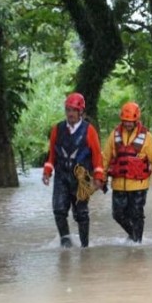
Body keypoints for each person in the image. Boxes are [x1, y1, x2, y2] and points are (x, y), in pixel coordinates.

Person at [42, 92, 105, 248]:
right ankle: (66, 243)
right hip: (61, 176)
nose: (70, 114)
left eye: (73, 110)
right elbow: (52, 154)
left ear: (80, 112)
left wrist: (98, 178)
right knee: (58, 210)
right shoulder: (57, 129)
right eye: (68, 110)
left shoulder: (89, 131)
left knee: (81, 213)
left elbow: (97, 156)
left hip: (81, 177)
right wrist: (47, 172)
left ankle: (85, 247)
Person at [102, 101, 152, 244]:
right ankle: (132, 234)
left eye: (131, 121)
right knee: (117, 214)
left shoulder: (147, 136)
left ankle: (137, 244)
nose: (128, 124)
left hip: (139, 184)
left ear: (137, 120)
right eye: (125, 121)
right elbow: (105, 157)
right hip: (118, 184)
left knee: (136, 214)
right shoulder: (114, 135)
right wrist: (102, 177)